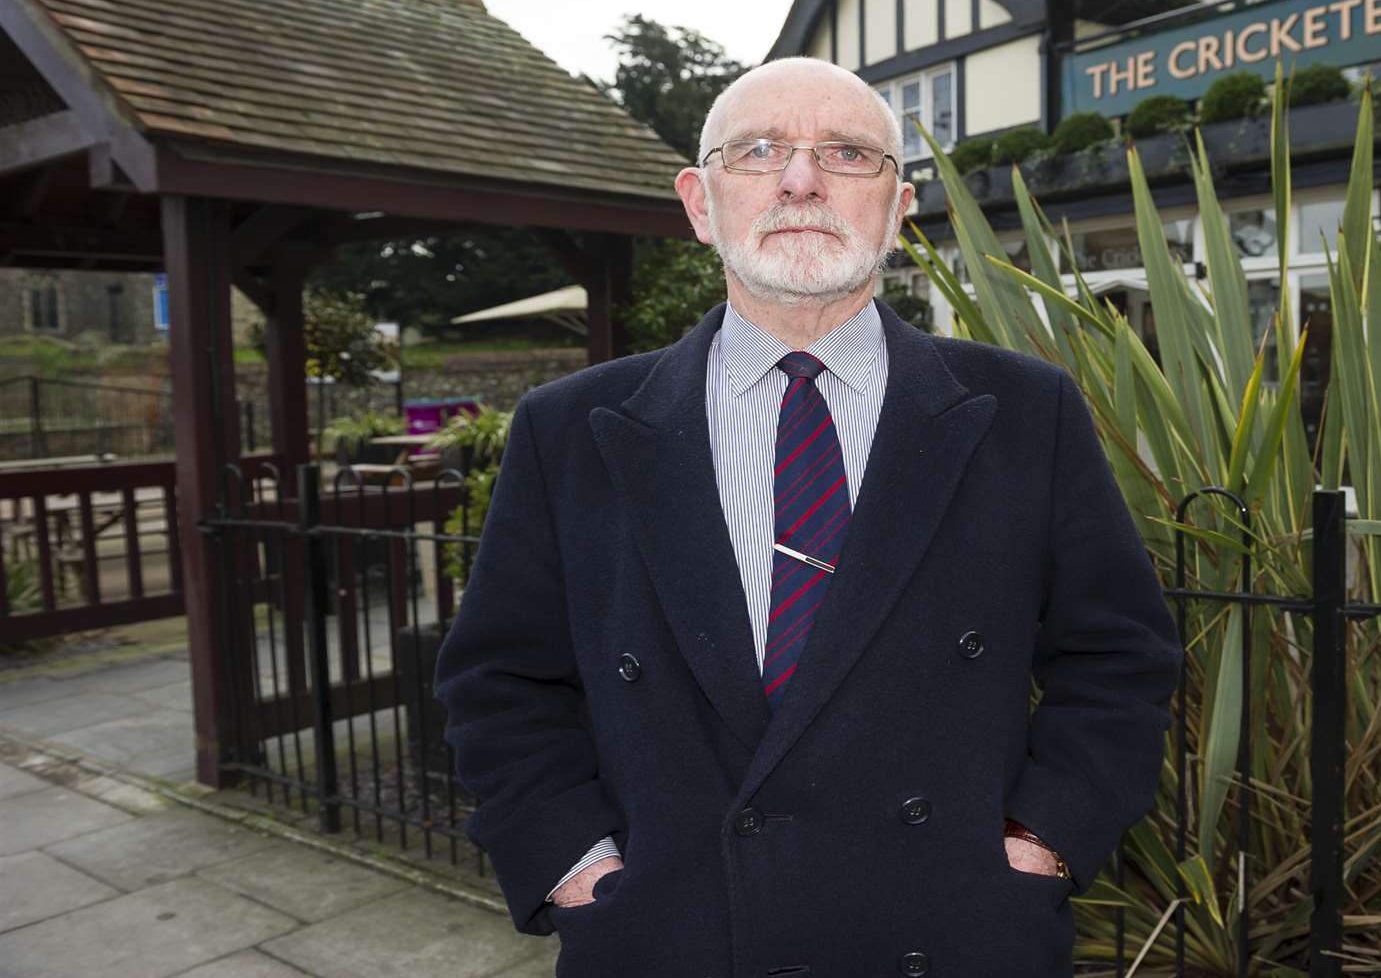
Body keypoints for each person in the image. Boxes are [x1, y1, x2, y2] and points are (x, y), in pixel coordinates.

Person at [434, 56, 1181, 977]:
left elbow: (1120, 659)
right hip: (672, 940)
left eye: (847, 153)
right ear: (700, 203)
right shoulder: (571, 428)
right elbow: (499, 681)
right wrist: (576, 869)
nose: (800, 179)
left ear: (899, 210)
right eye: (756, 152)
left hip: (948, 936)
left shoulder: (1029, 412)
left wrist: (1042, 844)